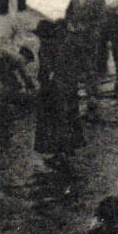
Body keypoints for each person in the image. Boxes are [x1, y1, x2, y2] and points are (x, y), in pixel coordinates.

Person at [33, 19, 84, 162]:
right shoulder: (63, 45)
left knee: (53, 121)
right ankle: (66, 150)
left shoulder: (46, 48)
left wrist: (45, 83)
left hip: (53, 89)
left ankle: (60, 153)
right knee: (67, 118)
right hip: (68, 87)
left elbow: (47, 69)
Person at [64, 0, 106, 113]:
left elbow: (101, 19)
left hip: (89, 37)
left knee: (90, 67)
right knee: (72, 66)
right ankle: (72, 94)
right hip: (74, 36)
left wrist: (88, 27)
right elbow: (68, 14)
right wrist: (69, 24)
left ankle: (92, 96)